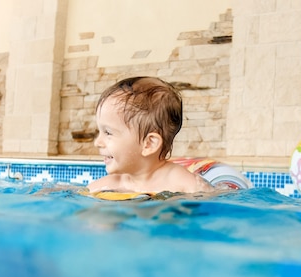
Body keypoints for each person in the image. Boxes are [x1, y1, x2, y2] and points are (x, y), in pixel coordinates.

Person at [85, 76, 214, 196]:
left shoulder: (184, 184)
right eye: (99, 131)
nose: (97, 142)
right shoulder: (108, 185)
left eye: (108, 132)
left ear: (149, 144)